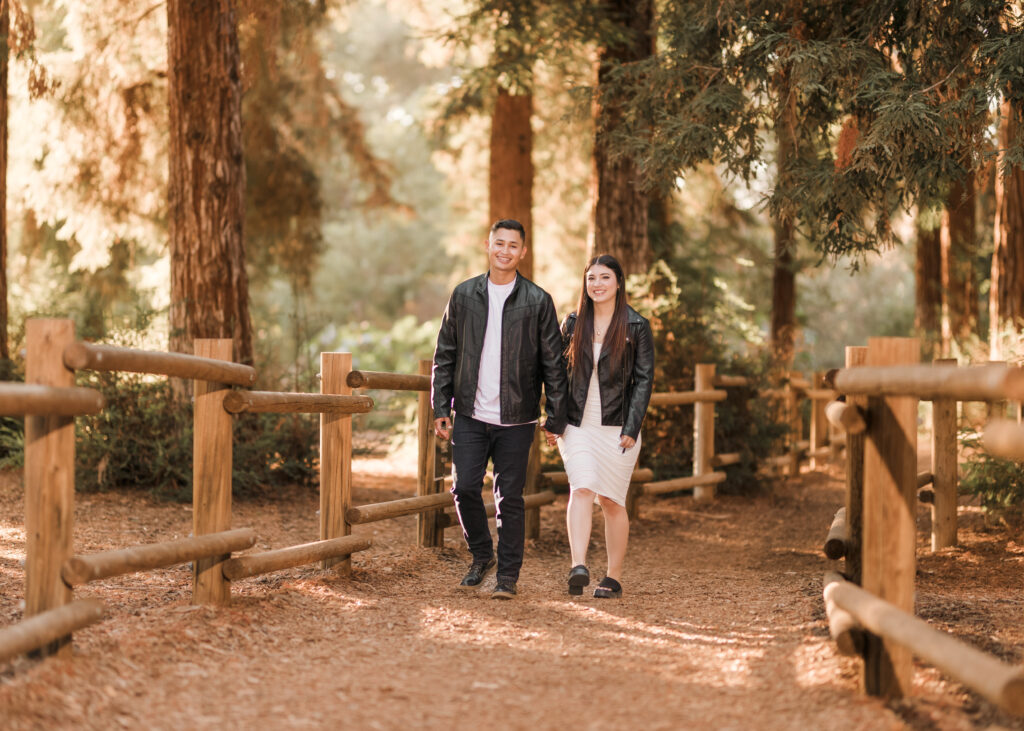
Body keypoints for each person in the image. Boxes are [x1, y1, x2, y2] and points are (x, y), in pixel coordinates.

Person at [432, 219, 568, 599]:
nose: (505, 251)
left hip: (517, 417)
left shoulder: (538, 300)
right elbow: (445, 354)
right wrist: (441, 404)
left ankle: (507, 575)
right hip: (471, 414)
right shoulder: (463, 295)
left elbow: (553, 363)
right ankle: (481, 556)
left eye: (513, 245)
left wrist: (555, 416)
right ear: (488, 246)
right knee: (464, 488)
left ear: (523, 252)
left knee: (510, 498)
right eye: (499, 244)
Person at [549, 254, 654, 599]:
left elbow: (643, 381)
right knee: (581, 487)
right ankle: (578, 565)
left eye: (604, 277)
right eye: (591, 278)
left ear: (618, 283)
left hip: (618, 425)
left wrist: (632, 426)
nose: (596, 284)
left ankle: (613, 576)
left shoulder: (637, 326)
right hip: (577, 423)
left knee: (611, 500)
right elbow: (556, 376)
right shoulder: (573, 322)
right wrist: (554, 419)